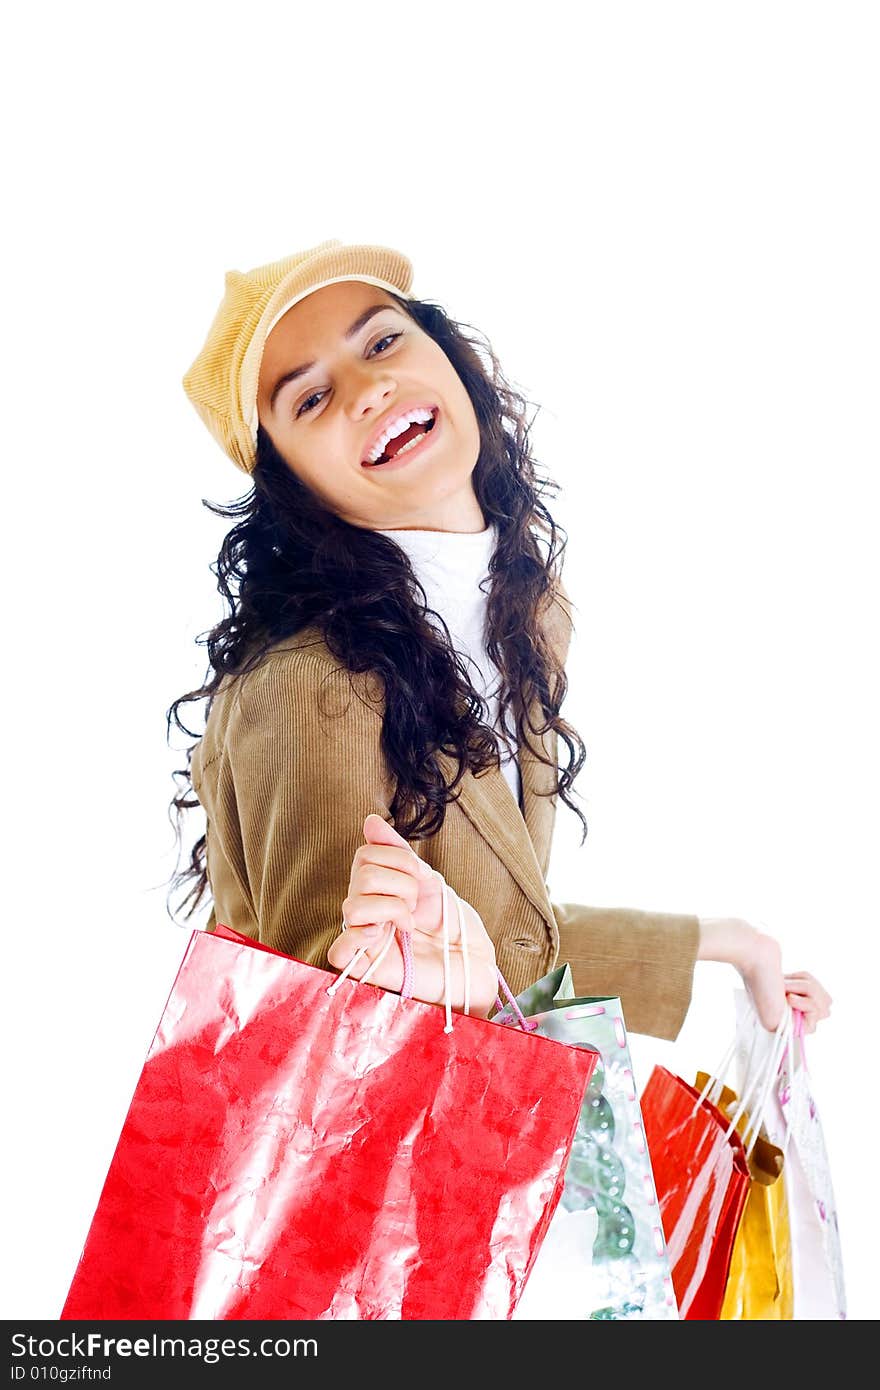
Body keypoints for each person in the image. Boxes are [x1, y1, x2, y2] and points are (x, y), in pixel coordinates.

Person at [169, 237, 830, 1040]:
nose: (368, 388)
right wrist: (447, 984)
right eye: (310, 399)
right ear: (289, 486)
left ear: (446, 354)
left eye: (382, 341)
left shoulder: (531, 615)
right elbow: (322, 1024)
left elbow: (507, 935)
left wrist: (723, 945)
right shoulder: (313, 682)